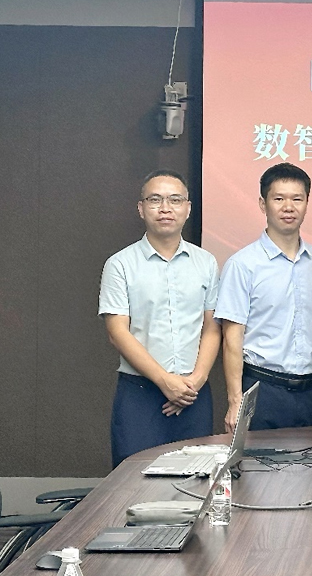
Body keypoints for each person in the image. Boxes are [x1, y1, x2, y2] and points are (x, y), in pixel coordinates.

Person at [99, 170, 221, 467]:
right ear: (141, 208)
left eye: (175, 200)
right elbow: (118, 332)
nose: (165, 208)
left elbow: (212, 327)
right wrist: (165, 381)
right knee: (134, 480)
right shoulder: (120, 264)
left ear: (188, 208)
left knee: (195, 480)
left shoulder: (206, 263)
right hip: (140, 394)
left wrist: (195, 381)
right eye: (155, 200)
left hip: (193, 393)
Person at [214, 163, 312, 431]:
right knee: (260, 460)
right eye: (279, 199)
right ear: (263, 204)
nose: (288, 207)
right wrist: (235, 400)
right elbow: (232, 337)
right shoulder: (242, 264)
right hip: (263, 389)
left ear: (307, 203)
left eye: (297, 199)